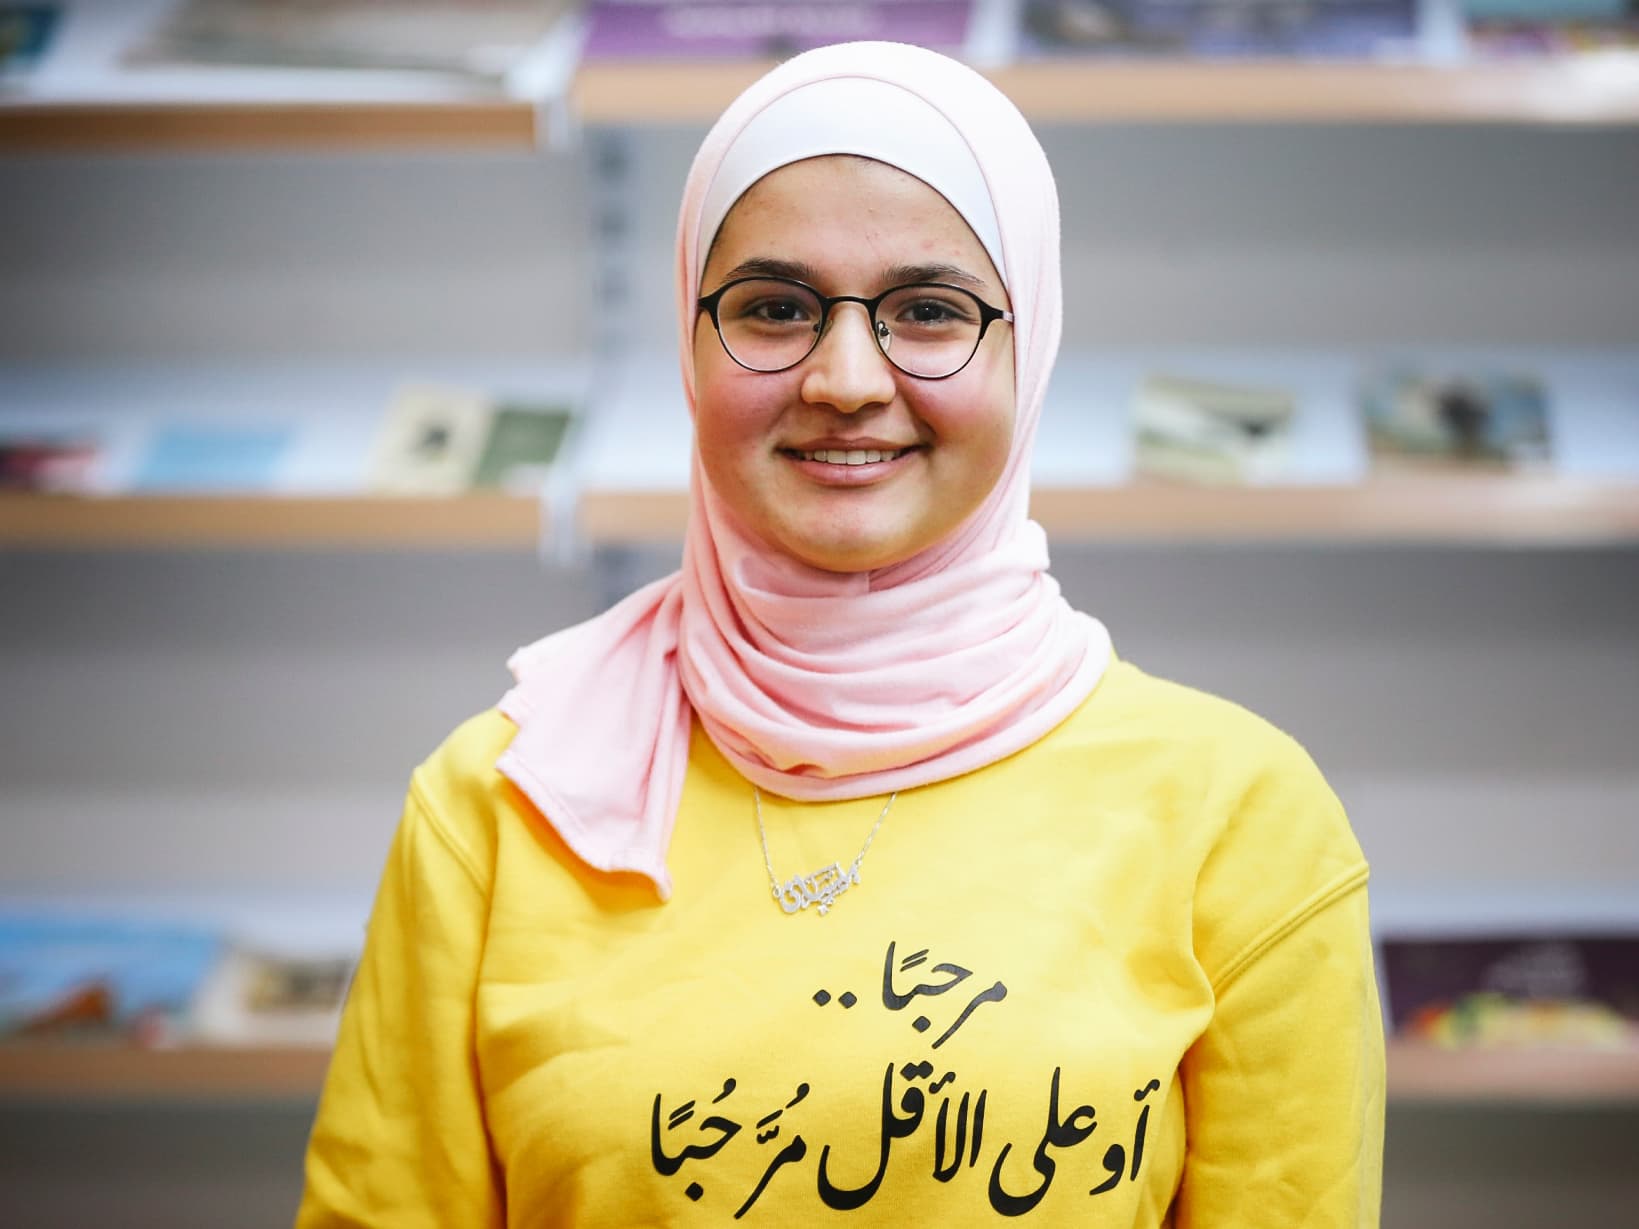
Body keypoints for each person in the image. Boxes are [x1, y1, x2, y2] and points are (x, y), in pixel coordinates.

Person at [296, 40, 1383, 1227]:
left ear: (1033, 342)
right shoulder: (501, 804)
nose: (846, 376)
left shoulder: (1237, 814)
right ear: (690, 339)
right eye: (774, 308)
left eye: (928, 310)